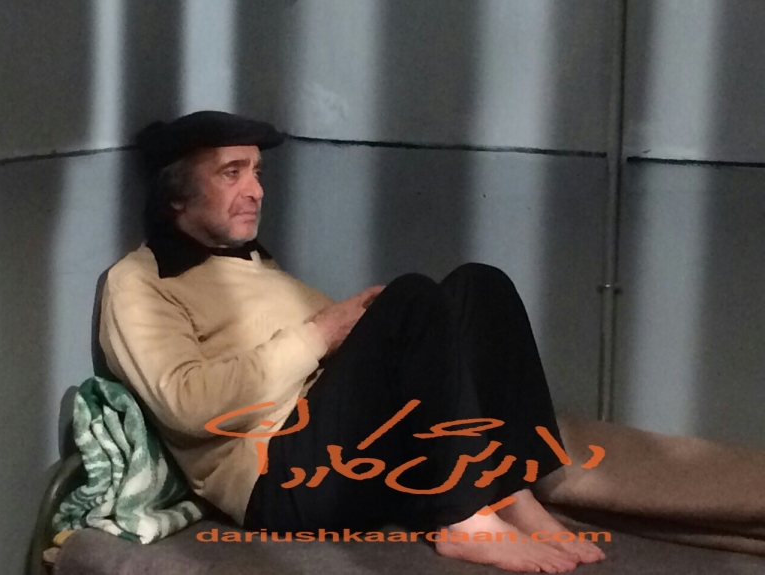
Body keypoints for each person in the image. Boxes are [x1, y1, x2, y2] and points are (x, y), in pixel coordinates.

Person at [99, 110, 605, 573]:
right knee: (412, 298)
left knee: (478, 286)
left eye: (257, 173)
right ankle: (464, 520)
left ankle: (511, 494)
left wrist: (360, 329)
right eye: (232, 173)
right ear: (176, 194)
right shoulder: (140, 281)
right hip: (279, 479)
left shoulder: (254, 263)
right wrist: (322, 333)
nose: (255, 190)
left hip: (350, 452)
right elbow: (186, 404)